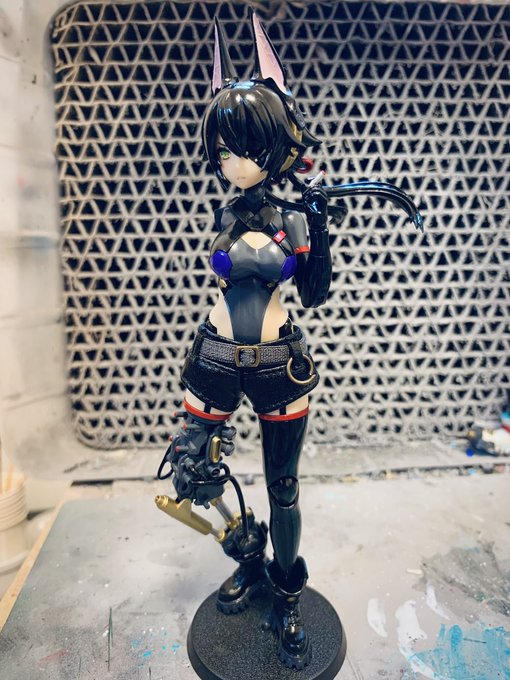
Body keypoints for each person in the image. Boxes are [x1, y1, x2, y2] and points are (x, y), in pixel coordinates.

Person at [158, 10, 422, 671]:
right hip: (214, 359)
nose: (231, 162)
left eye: (244, 148)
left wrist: (319, 230)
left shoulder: (295, 218)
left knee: (283, 488)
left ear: (276, 145)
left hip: (279, 365)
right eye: (223, 149)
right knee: (196, 471)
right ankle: (245, 553)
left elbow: (315, 293)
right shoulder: (227, 211)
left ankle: (286, 594)